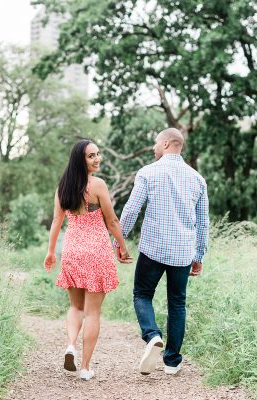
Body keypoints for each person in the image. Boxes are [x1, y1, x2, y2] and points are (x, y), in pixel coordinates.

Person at [115, 127, 209, 376]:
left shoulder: (148, 172)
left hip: (152, 249)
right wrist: (198, 256)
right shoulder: (197, 179)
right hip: (182, 253)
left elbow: (131, 210)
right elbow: (203, 221)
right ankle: (172, 361)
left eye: (156, 144)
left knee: (142, 295)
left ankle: (152, 335)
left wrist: (119, 243)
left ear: (167, 144)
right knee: (177, 303)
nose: (154, 148)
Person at [44, 139, 132, 381]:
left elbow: (56, 221)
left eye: (98, 154)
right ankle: (84, 367)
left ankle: (70, 345)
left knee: (75, 307)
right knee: (92, 313)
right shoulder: (98, 185)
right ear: (80, 160)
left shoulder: (63, 187)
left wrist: (51, 251)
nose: (97, 159)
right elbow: (112, 221)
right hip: (97, 252)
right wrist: (122, 247)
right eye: (91, 156)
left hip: (72, 250)